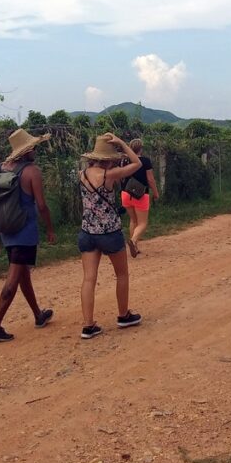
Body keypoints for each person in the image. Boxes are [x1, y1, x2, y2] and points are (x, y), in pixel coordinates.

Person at [0, 129, 57, 342]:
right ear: (25, 151)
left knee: (23, 273)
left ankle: (38, 315)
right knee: (14, 278)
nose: (35, 150)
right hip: (24, 232)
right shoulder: (32, 171)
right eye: (32, 147)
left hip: (7, 230)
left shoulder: (0, 169)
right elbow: (41, 205)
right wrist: (50, 229)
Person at [77, 133, 144, 339]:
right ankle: (123, 315)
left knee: (89, 279)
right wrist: (123, 143)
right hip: (110, 232)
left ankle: (89, 325)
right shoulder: (110, 175)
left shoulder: (83, 173)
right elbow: (137, 163)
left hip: (87, 232)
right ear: (109, 158)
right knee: (122, 274)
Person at [121, 138, 160, 257]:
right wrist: (156, 192)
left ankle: (135, 247)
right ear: (141, 149)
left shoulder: (124, 161)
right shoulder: (145, 161)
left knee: (133, 220)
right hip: (140, 194)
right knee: (143, 223)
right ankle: (133, 241)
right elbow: (150, 179)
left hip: (125, 193)